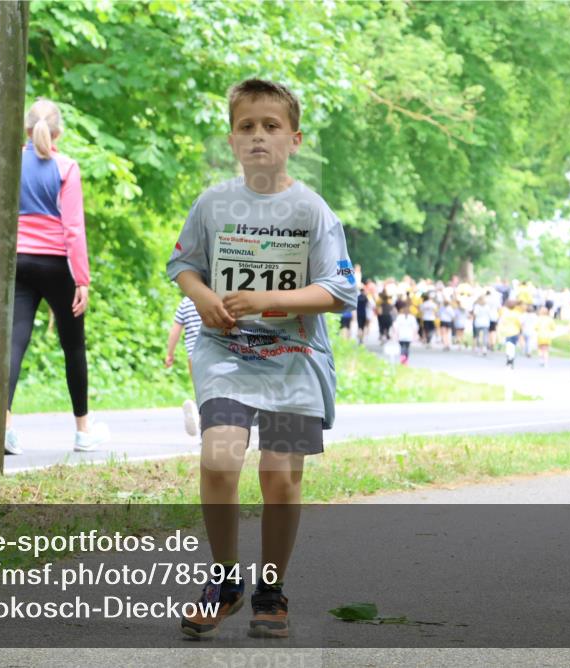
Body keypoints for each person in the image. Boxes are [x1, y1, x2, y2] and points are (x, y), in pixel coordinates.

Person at [166, 79, 357, 640]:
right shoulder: (212, 204)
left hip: (297, 358)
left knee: (280, 476)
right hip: (227, 353)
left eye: (271, 126)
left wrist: (269, 300)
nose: (258, 136)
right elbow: (183, 266)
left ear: (294, 139)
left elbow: (340, 291)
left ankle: (271, 588)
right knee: (220, 460)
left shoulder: (312, 210)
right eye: (247, 126)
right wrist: (202, 299)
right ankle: (225, 580)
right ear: (231, 139)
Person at [5, 99, 107, 455]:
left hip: (17, 261)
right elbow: (74, 228)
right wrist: (82, 280)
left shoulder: (10, 163)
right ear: (58, 132)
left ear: (26, 130)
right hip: (57, 265)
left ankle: (2, 427)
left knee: (14, 343)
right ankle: (82, 431)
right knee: (73, 346)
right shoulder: (66, 166)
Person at [165, 296, 203, 438]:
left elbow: (175, 330)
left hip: (193, 355)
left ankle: (195, 408)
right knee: (214, 391)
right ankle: (205, 429)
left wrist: (169, 354)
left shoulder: (185, 303)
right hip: (214, 353)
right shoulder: (214, 298)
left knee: (200, 390)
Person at [498, 299, 523, 369]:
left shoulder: (505, 313)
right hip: (515, 331)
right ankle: (511, 359)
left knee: (509, 346)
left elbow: (501, 323)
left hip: (507, 332)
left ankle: (509, 359)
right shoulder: (517, 314)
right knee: (513, 346)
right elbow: (520, 323)